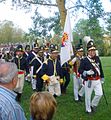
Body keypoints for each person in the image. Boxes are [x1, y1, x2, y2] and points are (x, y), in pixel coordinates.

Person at [79, 41, 104, 114]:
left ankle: (93, 105)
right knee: (88, 96)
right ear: (88, 51)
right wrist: (86, 72)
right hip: (89, 80)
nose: (93, 52)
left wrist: (102, 77)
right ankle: (88, 109)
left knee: (100, 94)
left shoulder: (97, 58)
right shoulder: (84, 60)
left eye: (94, 50)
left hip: (97, 80)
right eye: (91, 50)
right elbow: (80, 70)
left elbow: (100, 68)